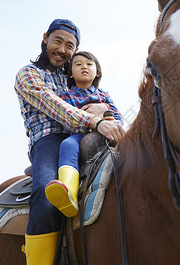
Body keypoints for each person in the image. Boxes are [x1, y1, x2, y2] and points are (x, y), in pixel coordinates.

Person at [14, 19, 125, 264]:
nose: (63, 50)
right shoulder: (29, 74)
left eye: (70, 46)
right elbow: (55, 106)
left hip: (88, 136)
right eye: (58, 42)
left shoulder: (72, 74)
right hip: (50, 140)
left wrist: (103, 110)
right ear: (45, 38)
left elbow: (97, 95)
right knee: (45, 192)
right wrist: (94, 121)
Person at [45, 51, 123, 218]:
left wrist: (111, 119)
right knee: (67, 144)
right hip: (80, 134)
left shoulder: (103, 95)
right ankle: (68, 190)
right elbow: (66, 120)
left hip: (107, 134)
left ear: (97, 72)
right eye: (78, 64)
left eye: (89, 64)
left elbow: (118, 117)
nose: (84, 67)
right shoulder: (65, 96)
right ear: (71, 74)